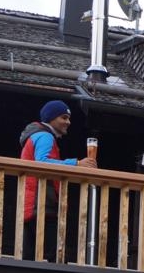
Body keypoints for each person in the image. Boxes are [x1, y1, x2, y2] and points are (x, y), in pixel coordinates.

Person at [18, 97, 95, 260]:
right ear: (51, 118)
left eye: (68, 118)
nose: (68, 122)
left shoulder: (37, 135)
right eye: (64, 118)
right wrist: (76, 164)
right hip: (41, 204)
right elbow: (42, 162)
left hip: (32, 203)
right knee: (55, 255)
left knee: (29, 255)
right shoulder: (45, 136)